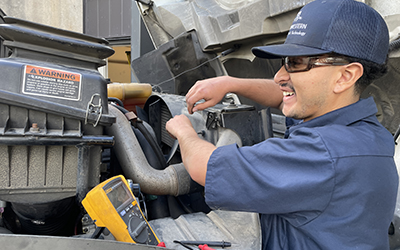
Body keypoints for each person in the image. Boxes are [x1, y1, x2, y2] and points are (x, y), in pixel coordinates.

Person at [165, 0, 399, 249]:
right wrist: (230, 83)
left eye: (296, 63)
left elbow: (207, 168)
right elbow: (282, 95)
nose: (279, 76)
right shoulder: (367, 132)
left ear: (345, 76)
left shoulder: (322, 153)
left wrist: (183, 130)